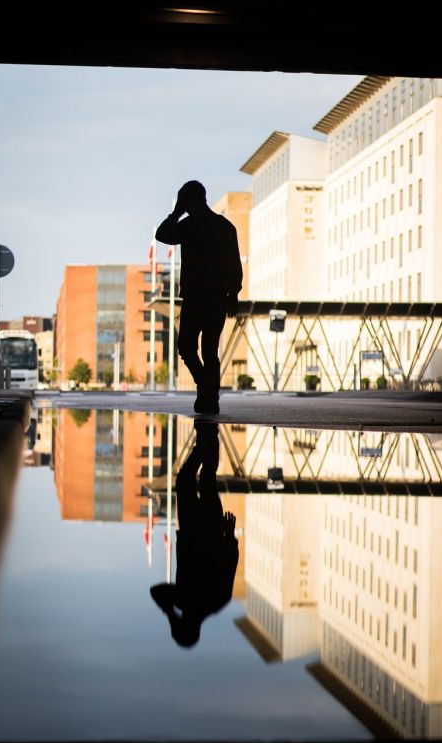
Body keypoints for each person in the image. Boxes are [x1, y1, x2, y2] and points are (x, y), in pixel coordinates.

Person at [156, 181, 243, 414]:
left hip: (196, 296)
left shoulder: (189, 225)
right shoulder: (225, 227)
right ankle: (209, 393)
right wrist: (233, 294)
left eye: (184, 202)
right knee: (209, 350)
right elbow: (235, 265)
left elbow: (162, 234)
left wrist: (175, 213)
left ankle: (205, 386)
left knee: (186, 346)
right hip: (215, 297)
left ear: (189, 201)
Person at [150, 422, 239, 648]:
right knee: (187, 478)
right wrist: (170, 612)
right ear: (182, 624)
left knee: (207, 479)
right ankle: (204, 440)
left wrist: (229, 534)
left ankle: (209, 436)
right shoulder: (182, 600)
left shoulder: (218, 602)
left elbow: (230, 563)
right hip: (193, 530)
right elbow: (156, 592)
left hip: (209, 530)